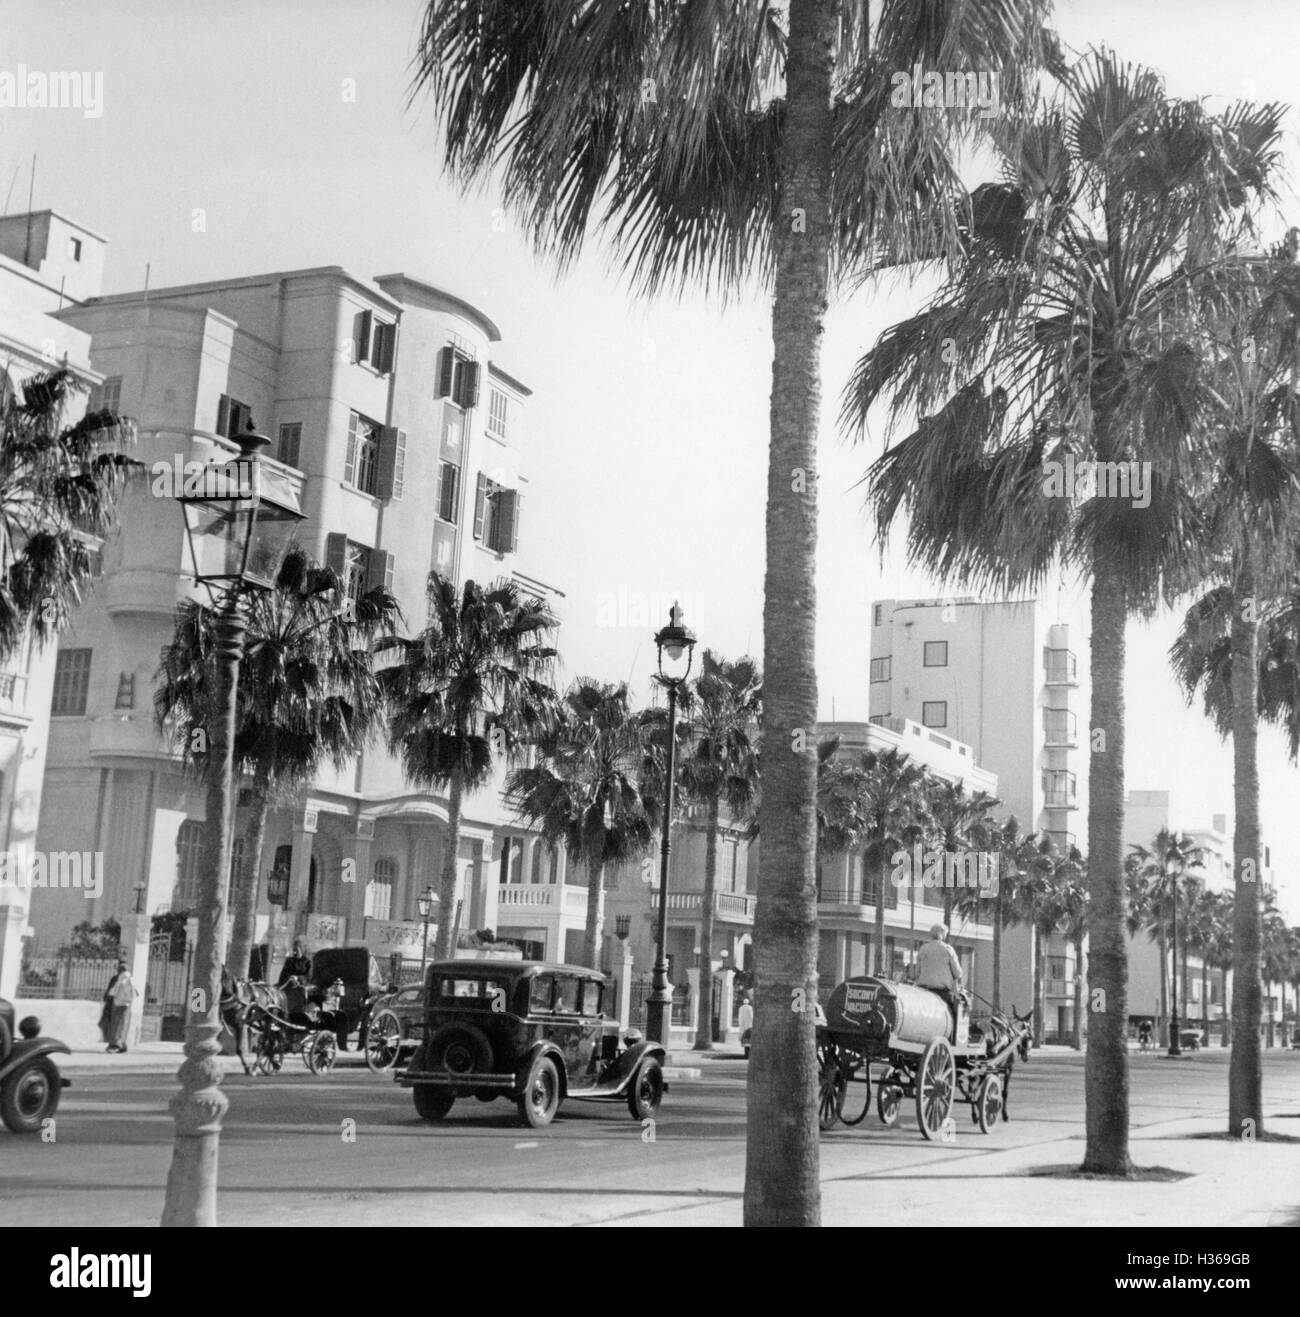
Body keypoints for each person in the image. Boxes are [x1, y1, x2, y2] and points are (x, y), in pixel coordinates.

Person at [916, 924, 964, 1032]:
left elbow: (917, 973)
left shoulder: (923, 949)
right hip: (942, 993)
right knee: (958, 1012)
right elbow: (958, 973)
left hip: (923, 992)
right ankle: (953, 1036)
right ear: (943, 935)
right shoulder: (948, 949)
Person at [105, 960, 138, 1053]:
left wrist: (113, 996)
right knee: (123, 1025)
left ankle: (116, 1044)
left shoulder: (124, 979)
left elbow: (117, 991)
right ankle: (122, 1044)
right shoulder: (126, 978)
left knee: (118, 1025)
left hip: (121, 1005)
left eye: (119, 969)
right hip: (123, 1005)